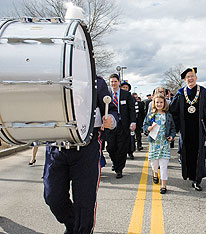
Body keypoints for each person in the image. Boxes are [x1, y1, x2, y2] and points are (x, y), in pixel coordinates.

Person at [43, 75, 118, 234]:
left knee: (84, 202)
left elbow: (111, 110)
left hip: (86, 147)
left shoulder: (97, 81)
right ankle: (72, 226)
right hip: (56, 146)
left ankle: (81, 230)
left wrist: (111, 119)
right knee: (52, 197)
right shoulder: (50, 77)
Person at [170, 67, 206, 191]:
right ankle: (190, 175)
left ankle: (197, 179)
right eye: (188, 77)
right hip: (185, 129)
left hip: (199, 128)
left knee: (199, 153)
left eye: (192, 76)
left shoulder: (204, 92)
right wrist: (174, 128)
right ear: (185, 79)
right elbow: (173, 112)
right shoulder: (180, 93)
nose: (190, 78)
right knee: (187, 152)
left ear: (196, 78)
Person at [143, 94, 176, 194]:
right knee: (154, 164)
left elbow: (173, 128)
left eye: (161, 102)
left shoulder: (168, 115)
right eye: (157, 102)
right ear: (154, 103)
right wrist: (147, 128)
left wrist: (172, 136)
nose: (159, 104)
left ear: (164, 103)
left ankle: (163, 185)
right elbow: (144, 126)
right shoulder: (150, 115)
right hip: (154, 143)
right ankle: (155, 173)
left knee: (164, 165)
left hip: (164, 143)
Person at [106, 74, 136, 179]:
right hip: (110, 126)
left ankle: (119, 169)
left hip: (123, 125)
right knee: (110, 147)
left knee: (122, 148)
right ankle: (115, 162)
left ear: (119, 82)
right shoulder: (106, 94)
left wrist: (133, 122)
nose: (113, 83)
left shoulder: (126, 94)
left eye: (115, 81)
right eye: (111, 81)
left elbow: (131, 109)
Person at [120, 80, 136, 160]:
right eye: (123, 87)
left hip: (128, 122)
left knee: (130, 138)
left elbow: (132, 110)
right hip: (120, 122)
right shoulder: (117, 96)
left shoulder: (131, 97)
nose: (125, 89)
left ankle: (130, 152)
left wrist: (133, 121)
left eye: (126, 87)